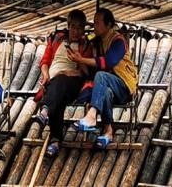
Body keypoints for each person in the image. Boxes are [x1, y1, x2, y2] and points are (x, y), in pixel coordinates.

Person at [73, 8, 138, 148]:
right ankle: (108, 131)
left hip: (124, 85)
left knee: (101, 76)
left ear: (108, 25)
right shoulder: (98, 42)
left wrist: (83, 59)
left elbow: (108, 62)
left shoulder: (118, 41)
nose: (94, 26)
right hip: (110, 86)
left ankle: (92, 115)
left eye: (97, 23)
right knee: (106, 92)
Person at [35, 9, 95, 158]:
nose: (76, 31)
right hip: (53, 79)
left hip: (73, 82)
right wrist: (46, 75)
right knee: (57, 91)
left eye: (80, 27)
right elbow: (45, 61)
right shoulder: (56, 39)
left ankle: (45, 110)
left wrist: (78, 61)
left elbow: (87, 73)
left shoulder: (86, 45)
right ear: (68, 26)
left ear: (83, 29)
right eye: (73, 27)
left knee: (60, 83)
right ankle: (55, 141)